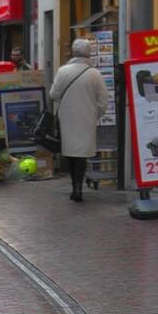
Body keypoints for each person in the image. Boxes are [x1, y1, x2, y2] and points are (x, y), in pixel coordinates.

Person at [50, 38, 108, 202]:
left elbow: (53, 95)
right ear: (89, 53)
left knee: (70, 152)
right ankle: (78, 188)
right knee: (81, 154)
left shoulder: (63, 71)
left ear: (73, 52)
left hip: (67, 118)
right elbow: (104, 99)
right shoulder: (95, 74)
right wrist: (96, 113)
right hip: (86, 118)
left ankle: (74, 187)